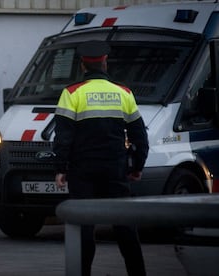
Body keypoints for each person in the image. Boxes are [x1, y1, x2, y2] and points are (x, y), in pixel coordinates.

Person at [53, 40, 149, 276]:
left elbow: (63, 137)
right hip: (116, 169)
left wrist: (60, 168)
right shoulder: (123, 93)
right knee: (125, 226)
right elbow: (139, 136)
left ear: (83, 66)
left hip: (82, 171)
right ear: (105, 63)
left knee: (84, 228)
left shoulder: (71, 93)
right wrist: (137, 165)